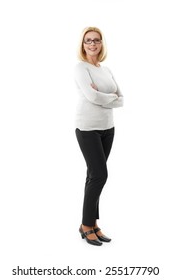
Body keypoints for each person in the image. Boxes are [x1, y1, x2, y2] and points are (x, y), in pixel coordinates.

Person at [74, 27, 123, 246]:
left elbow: (121, 100)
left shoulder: (106, 70)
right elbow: (91, 96)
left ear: (101, 43)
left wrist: (105, 96)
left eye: (96, 40)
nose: (92, 44)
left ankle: (92, 223)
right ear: (82, 44)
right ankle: (86, 225)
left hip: (108, 128)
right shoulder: (80, 68)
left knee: (93, 175)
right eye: (88, 41)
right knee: (99, 175)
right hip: (88, 128)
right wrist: (108, 96)